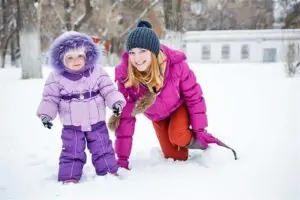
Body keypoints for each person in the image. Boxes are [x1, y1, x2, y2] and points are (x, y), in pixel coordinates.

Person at [108, 20, 237, 170]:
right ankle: (181, 142)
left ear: (153, 51)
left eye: (143, 51)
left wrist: (199, 130)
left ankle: (209, 143)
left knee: (178, 135)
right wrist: (122, 159)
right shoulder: (127, 77)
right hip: (158, 118)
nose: (137, 58)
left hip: (178, 107)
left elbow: (194, 96)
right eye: (132, 52)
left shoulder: (176, 65)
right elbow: (126, 116)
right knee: (176, 157)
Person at [37, 31, 126, 183]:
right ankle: (69, 176)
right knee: (72, 151)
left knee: (102, 148)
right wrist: (46, 115)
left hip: (96, 122)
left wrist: (116, 103)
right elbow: (50, 98)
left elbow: (109, 90)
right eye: (69, 57)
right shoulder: (56, 78)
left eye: (79, 56)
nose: (76, 61)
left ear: (87, 55)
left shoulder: (97, 71)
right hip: (72, 125)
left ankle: (109, 171)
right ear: (61, 59)